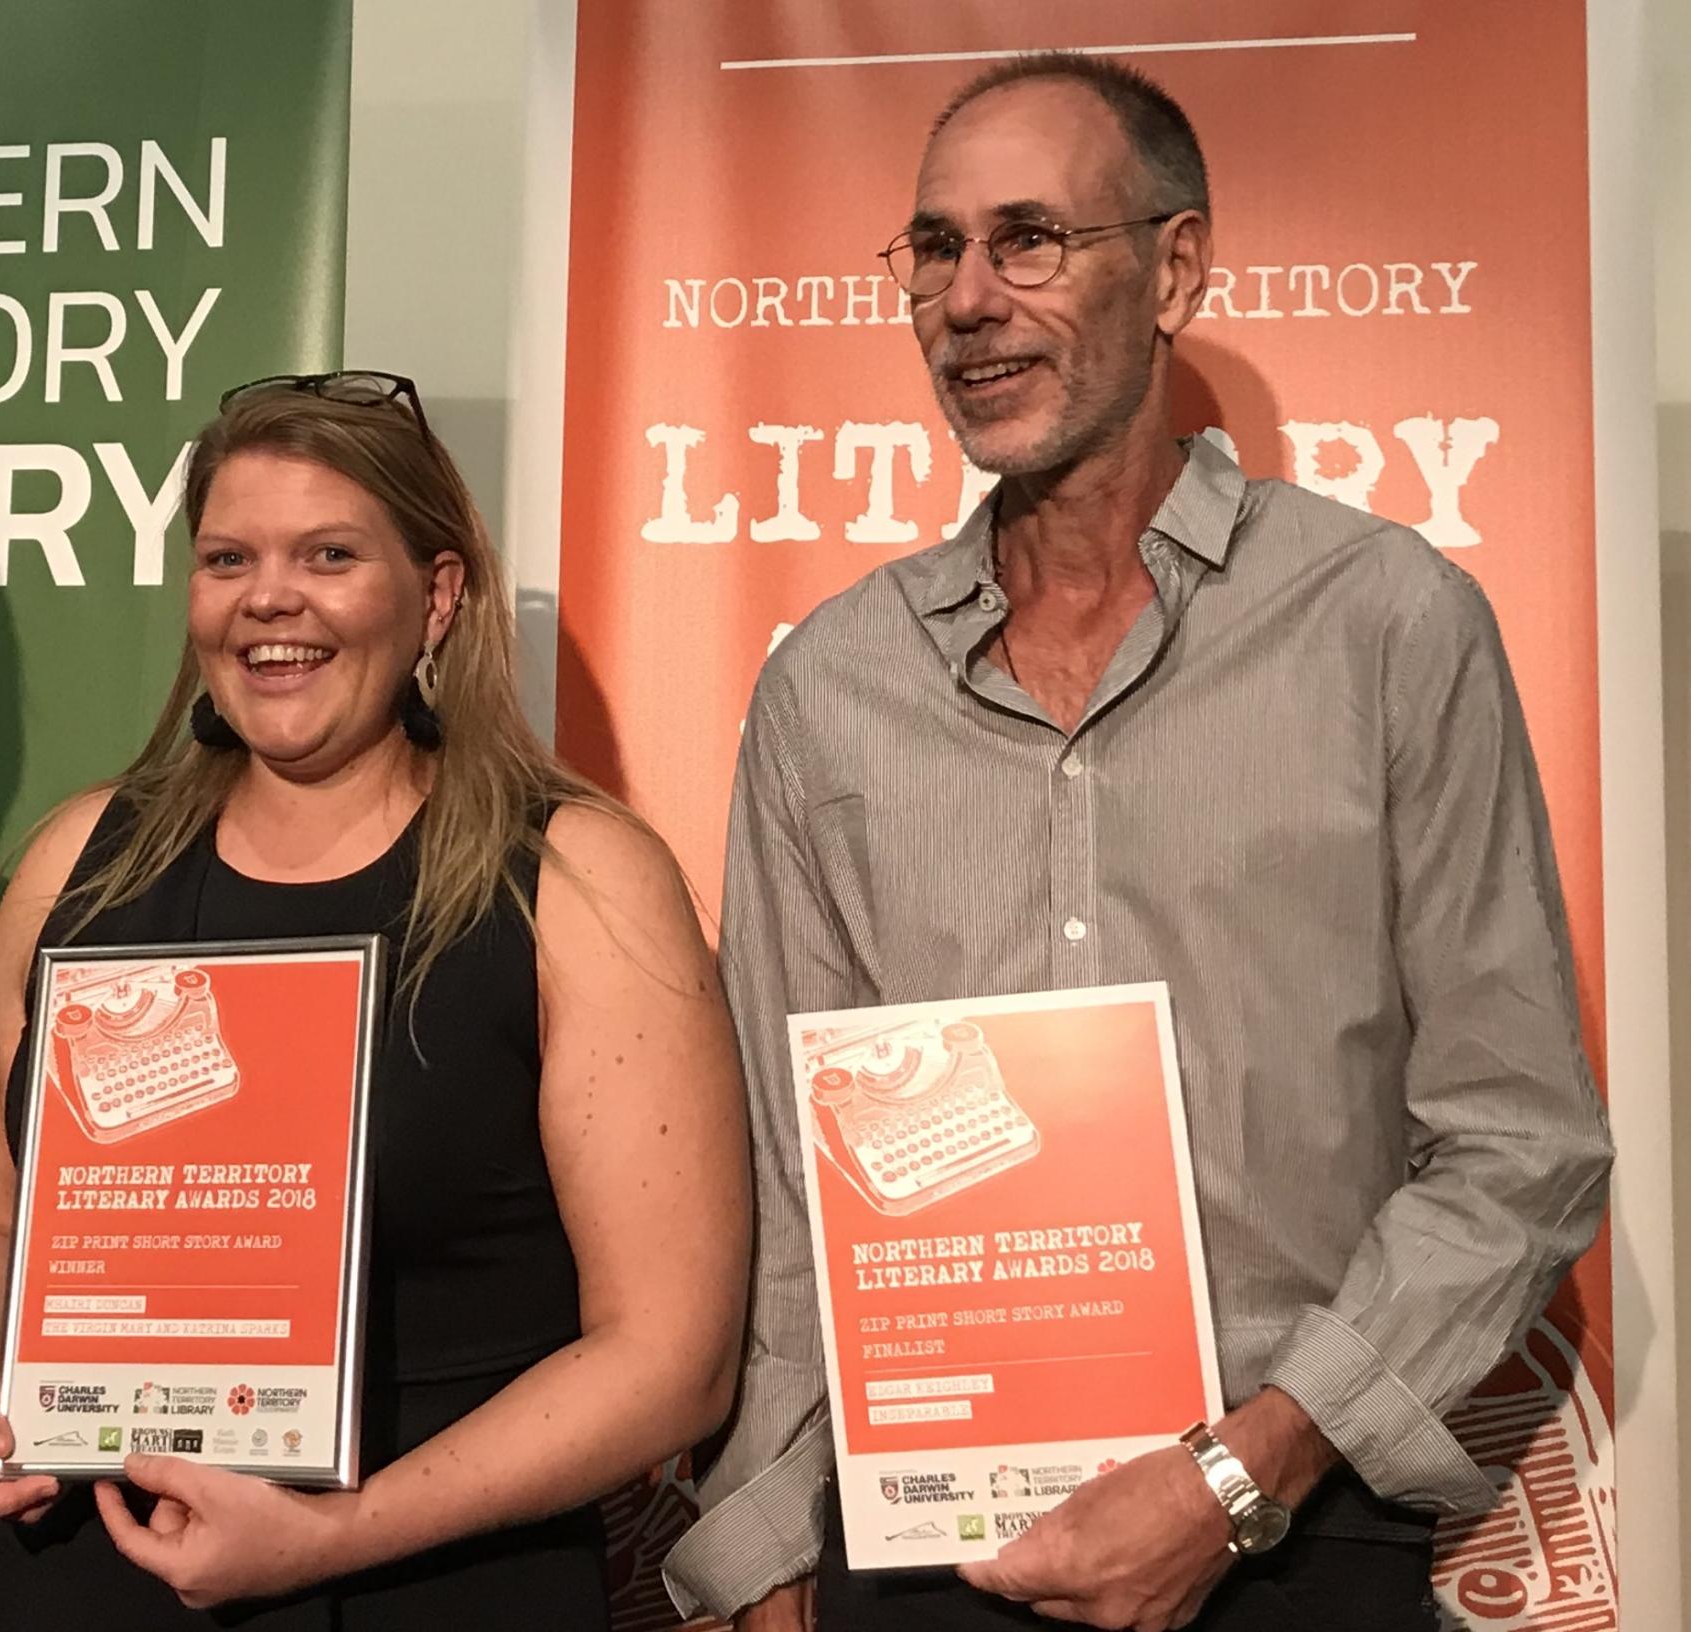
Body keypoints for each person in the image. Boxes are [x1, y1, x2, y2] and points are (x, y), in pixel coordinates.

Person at [666, 54, 1612, 1632]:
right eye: (934, 249)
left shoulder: (1387, 624)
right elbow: (785, 1170)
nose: (968, 298)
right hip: (924, 1548)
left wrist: (1243, 1471)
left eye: (1029, 238)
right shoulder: (831, 687)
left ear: (1176, 269)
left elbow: (1520, 1142)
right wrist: (768, 1533)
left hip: (1294, 1539)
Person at [0, 372, 750, 1628]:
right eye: (228, 557)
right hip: (66, 1576)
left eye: (330, 554)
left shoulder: (575, 879)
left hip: (429, 1585)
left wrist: (334, 1534)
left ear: (437, 597)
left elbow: (673, 1359)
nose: (269, 599)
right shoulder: (82, 857)